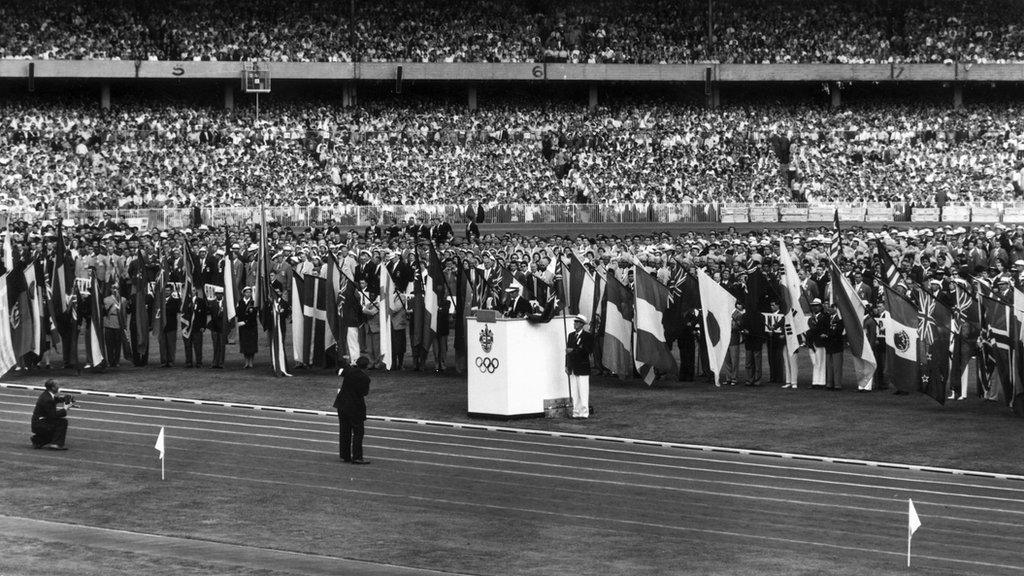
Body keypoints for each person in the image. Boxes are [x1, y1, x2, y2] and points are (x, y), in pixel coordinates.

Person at [333, 357, 371, 465]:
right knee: (358, 433)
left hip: (342, 405)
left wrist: (345, 364)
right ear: (366, 366)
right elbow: (364, 393)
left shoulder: (348, 371)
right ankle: (357, 457)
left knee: (344, 431)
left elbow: (338, 371)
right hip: (355, 407)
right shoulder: (365, 378)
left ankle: (345, 455)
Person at [30, 379, 72, 450]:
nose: (58, 387)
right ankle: (55, 444)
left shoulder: (47, 394)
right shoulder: (48, 399)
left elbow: (55, 399)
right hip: (40, 424)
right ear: (53, 388)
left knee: (56, 423)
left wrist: (65, 399)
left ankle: (38, 440)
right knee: (62, 422)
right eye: (57, 385)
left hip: (38, 422)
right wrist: (65, 408)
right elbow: (53, 415)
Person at [565, 315, 593, 418]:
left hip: (582, 366)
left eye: (577, 322)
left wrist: (573, 350)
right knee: (575, 392)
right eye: (575, 322)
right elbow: (567, 352)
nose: (575, 324)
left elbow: (587, 351)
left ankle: (584, 413)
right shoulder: (571, 335)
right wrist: (567, 365)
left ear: (582, 324)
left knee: (583, 391)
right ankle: (576, 412)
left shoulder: (587, 336)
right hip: (573, 366)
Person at [237, 286, 258, 368]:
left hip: (251, 326)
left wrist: (246, 322)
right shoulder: (240, 302)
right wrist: (241, 321)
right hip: (243, 327)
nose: (248, 294)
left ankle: (251, 362)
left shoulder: (253, 302)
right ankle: (246, 362)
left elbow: (254, 315)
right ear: (244, 293)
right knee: (244, 345)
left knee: (251, 345)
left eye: (250, 292)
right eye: (247, 292)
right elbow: (238, 313)